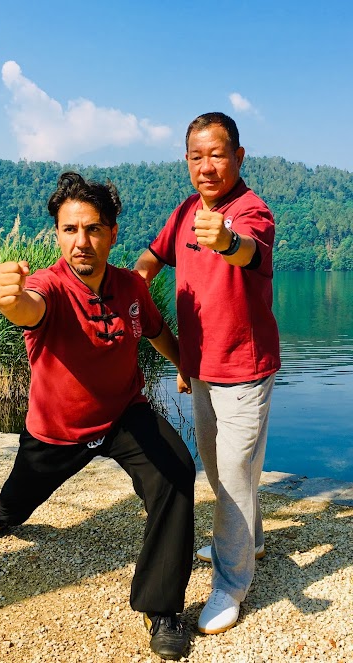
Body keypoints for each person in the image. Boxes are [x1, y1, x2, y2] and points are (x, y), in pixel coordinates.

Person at [0, 172, 195, 661]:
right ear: (57, 235)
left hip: (124, 414)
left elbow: (154, 330)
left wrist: (185, 367)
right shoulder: (49, 286)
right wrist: (10, 299)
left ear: (111, 233)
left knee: (175, 472)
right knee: (18, 498)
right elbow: (29, 308)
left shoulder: (131, 285)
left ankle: (162, 607)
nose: (81, 241)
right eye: (70, 229)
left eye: (92, 229)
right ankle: (0, 518)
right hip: (57, 430)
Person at [134, 112, 281, 635]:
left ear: (239, 157)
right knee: (222, 473)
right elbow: (149, 261)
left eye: (216, 154)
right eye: (196, 156)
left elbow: (246, 249)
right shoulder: (183, 212)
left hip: (244, 371)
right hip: (200, 371)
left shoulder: (251, 211)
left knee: (232, 477)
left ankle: (230, 583)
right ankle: (252, 538)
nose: (206, 166)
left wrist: (223, 240)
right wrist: (127, 291)